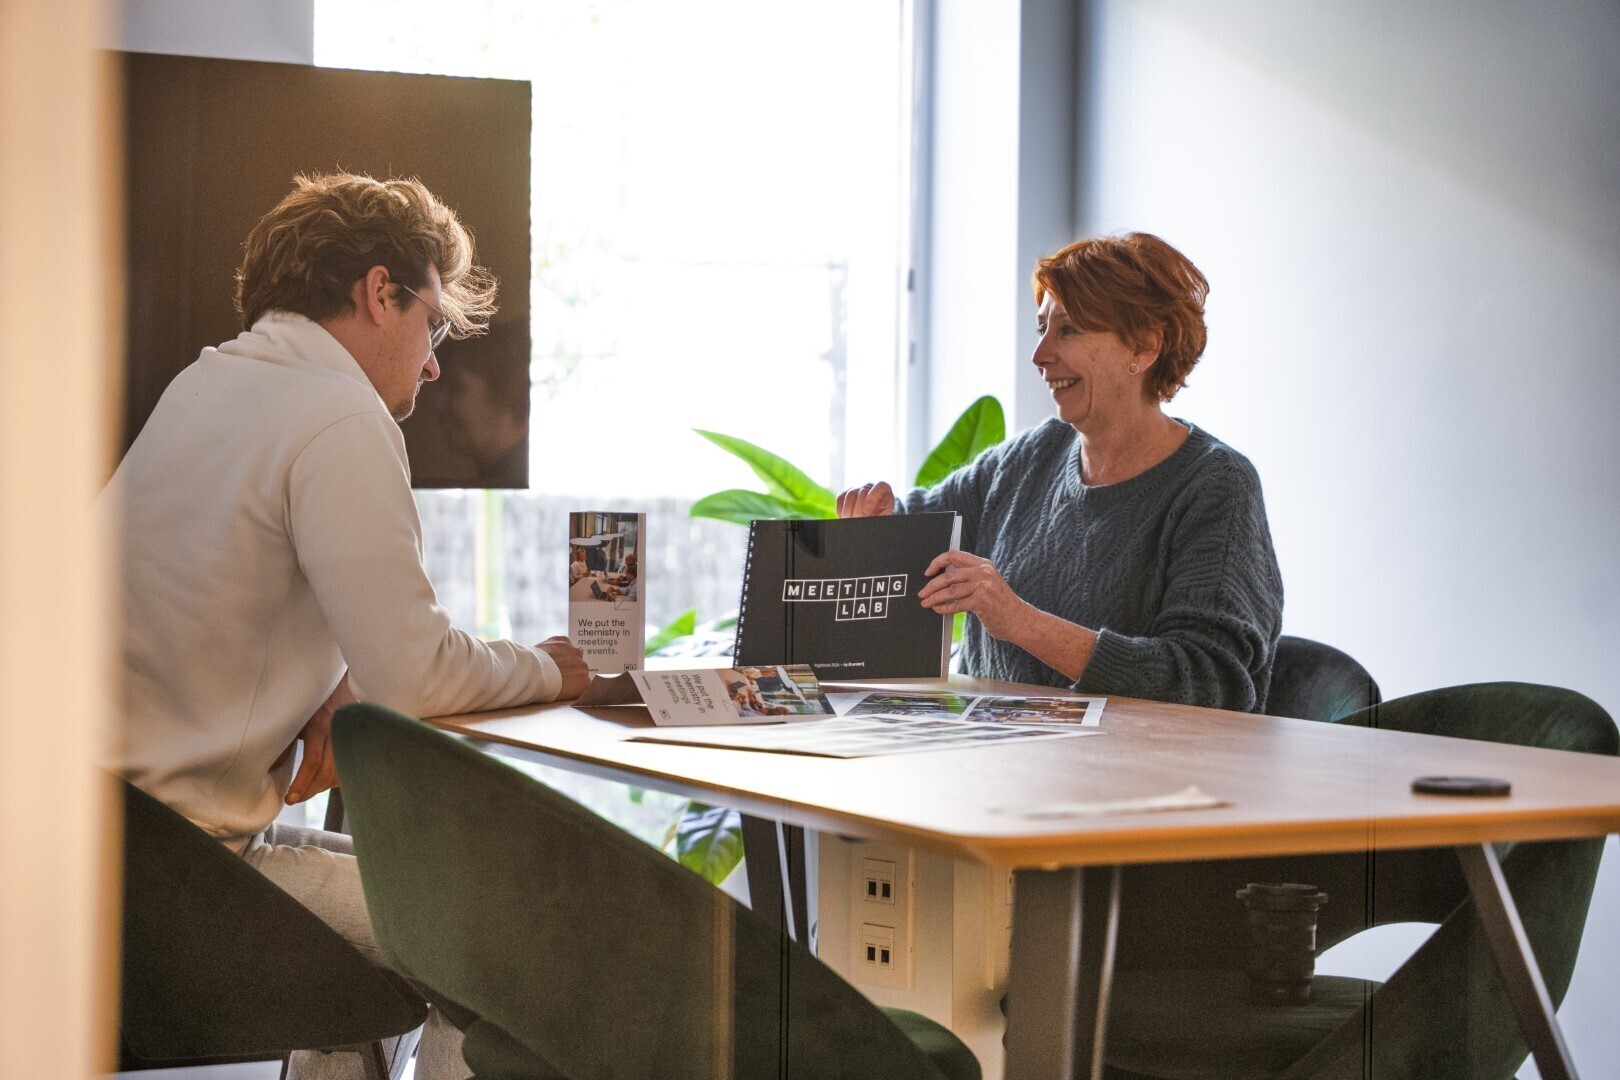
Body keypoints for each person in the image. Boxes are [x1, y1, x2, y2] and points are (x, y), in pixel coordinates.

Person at [99, 172, 588, 1080]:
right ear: (377, 291)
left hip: (103, 852)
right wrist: (554, 670)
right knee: (502, 933)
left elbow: (223, 598)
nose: (435, 361)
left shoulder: (205, 385)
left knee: (407, 919)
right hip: (179, 880)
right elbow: (418, 677)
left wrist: (331, 681)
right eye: (432, 324)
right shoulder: (338, 412)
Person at [838, 232, 1282, 711]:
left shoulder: (1216, 484)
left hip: (1132, 774)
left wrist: (1019, 620)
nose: (1040, 355)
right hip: (989, 760)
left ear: (1146, 347)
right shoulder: (1031, 456)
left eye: (1068, 330)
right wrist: (878, 523)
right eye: (1042, 329)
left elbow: (1212, 682)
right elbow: (918, 526)